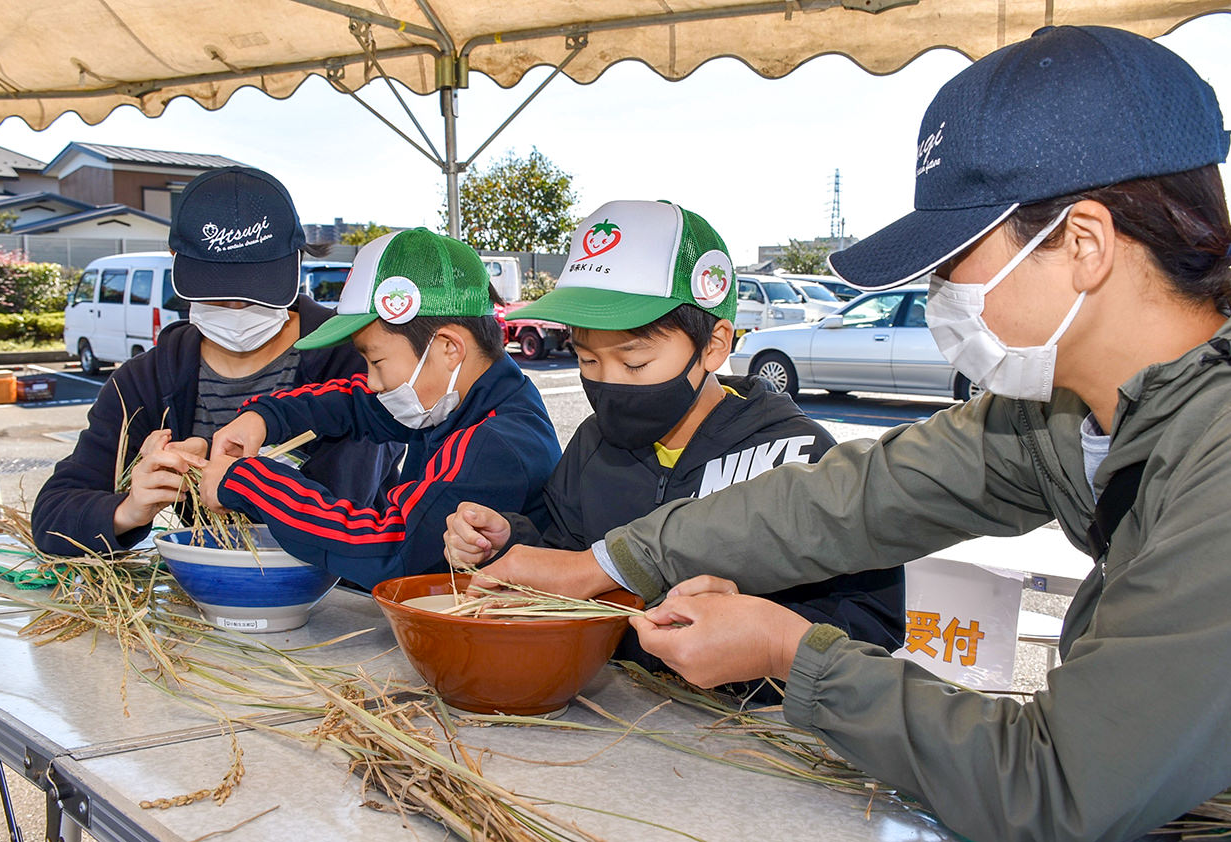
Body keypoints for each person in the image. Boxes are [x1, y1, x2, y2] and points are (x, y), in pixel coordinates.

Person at [466, 26, 1231, 842]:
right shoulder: (1062, 414)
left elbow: (1055, 789)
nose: (941, 294)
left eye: (957, 257)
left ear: (1084, 243)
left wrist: (794, 653)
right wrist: (606, 564)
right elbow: (852, 498)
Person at [444, 199, 904, 657]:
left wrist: (763, 634)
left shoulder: (796, 455)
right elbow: (563, 557)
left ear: (714, 346)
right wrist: (508, 543)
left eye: (635, 362)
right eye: (587, 359)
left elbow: (874, 623)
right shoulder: (591, 444)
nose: (607, 383)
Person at [31, 166, 398, 556]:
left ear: (294, 264)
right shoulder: (146, 380)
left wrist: (209, 464)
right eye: (217, 293)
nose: (238, 307)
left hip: (345, 597)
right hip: (206, 592)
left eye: (257, 292)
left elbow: (347, 502)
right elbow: (53, 518)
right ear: (177, 262)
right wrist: (130, 508)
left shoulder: (359, 361)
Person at [199, 228, 561, 589]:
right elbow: (355, 404)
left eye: (377, 361)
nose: (372, 381)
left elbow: (390, 549)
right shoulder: (456, 399)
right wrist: (263, 417)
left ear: (449, 348)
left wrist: (248, 482)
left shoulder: (495, 443)